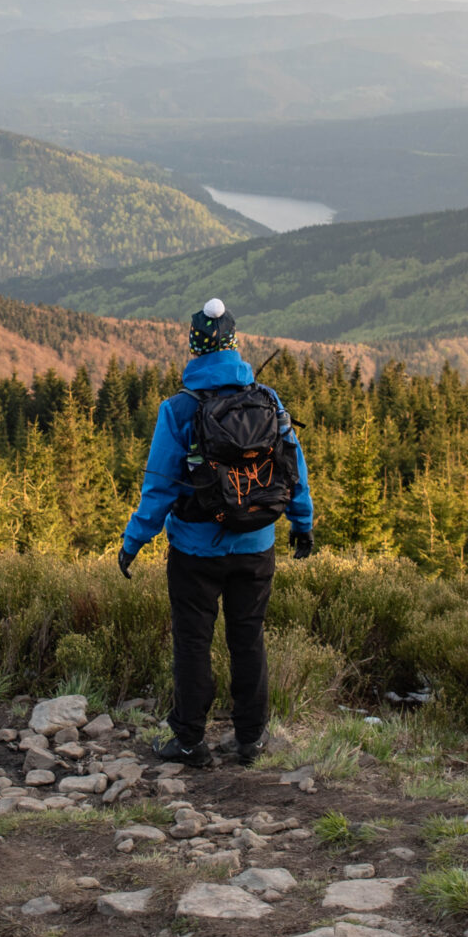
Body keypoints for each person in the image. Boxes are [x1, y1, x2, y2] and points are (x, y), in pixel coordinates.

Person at [118, 299, 314, 767]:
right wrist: (302, 524)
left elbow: (160, 488)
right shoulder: (268, 400)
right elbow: (293, 468)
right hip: (256, 545)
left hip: (194, 550)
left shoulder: (178, 409)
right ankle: (251, 740)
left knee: (193, 643)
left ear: (195, 346)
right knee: (248, 639)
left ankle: (190, 742)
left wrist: (133, 542)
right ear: (233, 343)